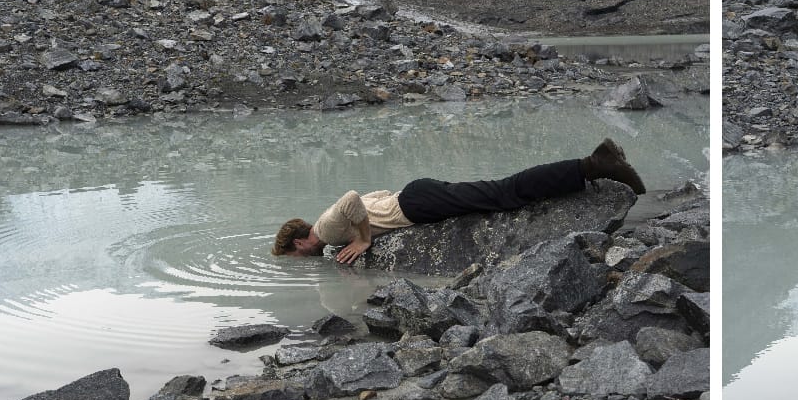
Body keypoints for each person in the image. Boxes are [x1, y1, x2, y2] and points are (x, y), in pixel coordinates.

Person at [273, 140, 646, 265]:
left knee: (505, 193)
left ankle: (593, 164)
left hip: (417, 206)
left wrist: (365, 239)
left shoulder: (325, 229)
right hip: (414, 194)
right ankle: (593, 166)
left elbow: (351, 199)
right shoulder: (327, 228)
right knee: (501, 192)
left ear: (300, 241)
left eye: (295, 255)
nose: (301, 259)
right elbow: (376, 196)